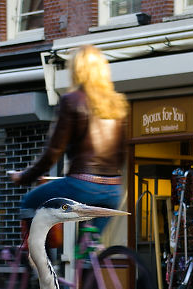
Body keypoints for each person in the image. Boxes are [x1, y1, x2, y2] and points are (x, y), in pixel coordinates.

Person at [10, 44, 127, 235]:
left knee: (29, 202)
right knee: (89, 247)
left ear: (77, 70)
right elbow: (121, 153)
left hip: (82, 185)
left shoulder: (72, 100)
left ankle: (39, 261)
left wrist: (25, 176)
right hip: (113, 191)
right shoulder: (117, 104)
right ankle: (90, 259)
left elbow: (53, 150)